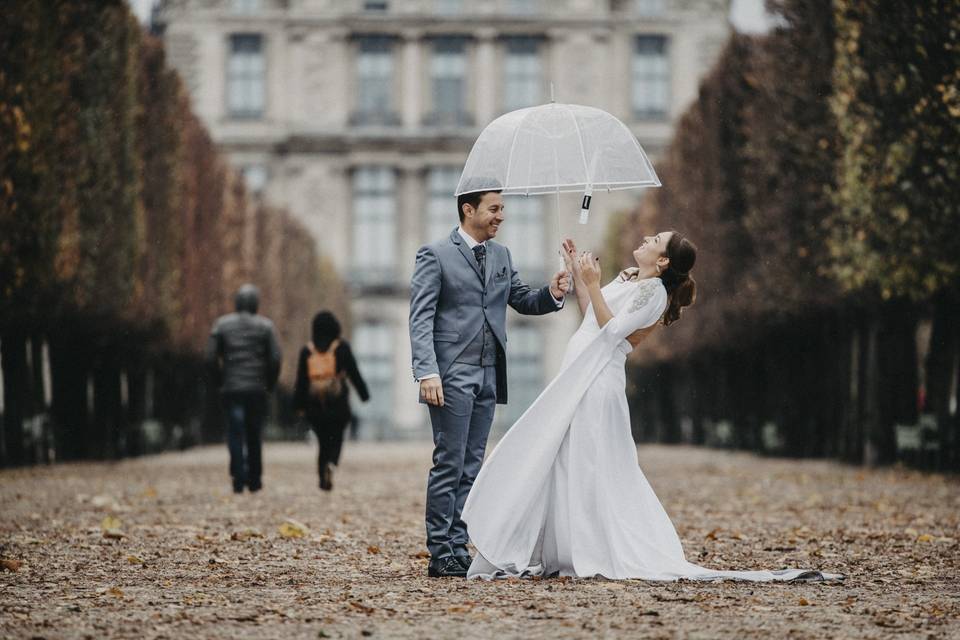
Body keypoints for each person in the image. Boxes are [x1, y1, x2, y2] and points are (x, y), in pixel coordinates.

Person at [461, 233, 842, 582]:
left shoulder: (655, 293)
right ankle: (567, 547)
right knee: (565, 459)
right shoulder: (629, 278)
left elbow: (614, 333)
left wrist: (593, 283)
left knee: (588, 461)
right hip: (580, 369)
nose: (646, 239)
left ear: (662, 262)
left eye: (655, 240)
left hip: (597, 380)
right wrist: (578, 272)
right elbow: (592, 315)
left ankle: (592, 546)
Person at [409, 188, 572, 578]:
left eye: (502, 209)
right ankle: (440, 551)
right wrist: (427, 371)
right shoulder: (434, 254)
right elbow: (420, 317)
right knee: (449, 461)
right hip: (449, 374)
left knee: (472, 465)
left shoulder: (501, 255)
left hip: (487, 374)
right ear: (469, 209)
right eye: (494, 209)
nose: (501, 216)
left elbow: (522, 300)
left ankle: (459, 545)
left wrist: (553, 292)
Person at [206, 284, 282, 494]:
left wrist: (220, 381)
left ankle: (238, 476)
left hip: (232, 388)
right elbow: (275, 359)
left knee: (234, 431)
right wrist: (269, 383)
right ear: (256, 304)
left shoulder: (221, 325)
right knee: (254, 432)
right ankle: (255, 478)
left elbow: (211, 357)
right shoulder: (266, 326)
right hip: (257, 388)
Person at [293, 311, 369, 491]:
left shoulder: (307, 351)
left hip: (316, 406)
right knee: (336, 439)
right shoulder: (341, 347)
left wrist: (299, 405)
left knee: (322, 442)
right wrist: (364, 394)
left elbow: (301, 381)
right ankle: (332, 464)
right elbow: (354, 373)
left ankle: (322, 475)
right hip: (338, 403)